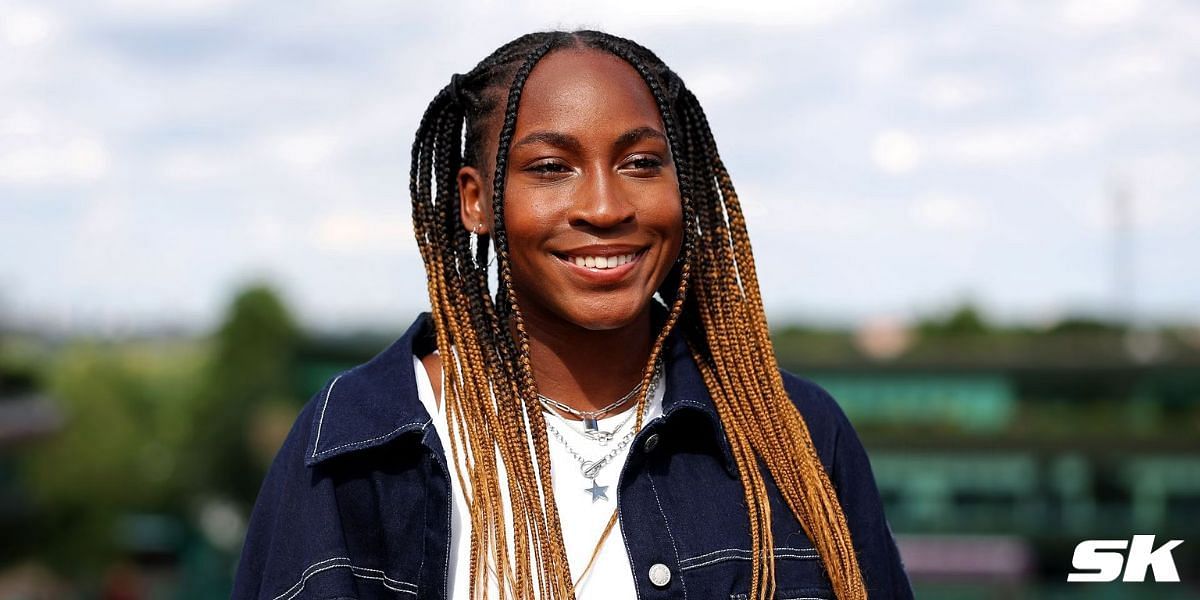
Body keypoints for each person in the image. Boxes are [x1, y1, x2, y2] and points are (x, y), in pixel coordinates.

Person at [232, 30, 913, 600]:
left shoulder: (794, 438)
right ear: (476, 200)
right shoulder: (357, 447)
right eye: (552, 167)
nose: (605, 206)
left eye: (642, 163)